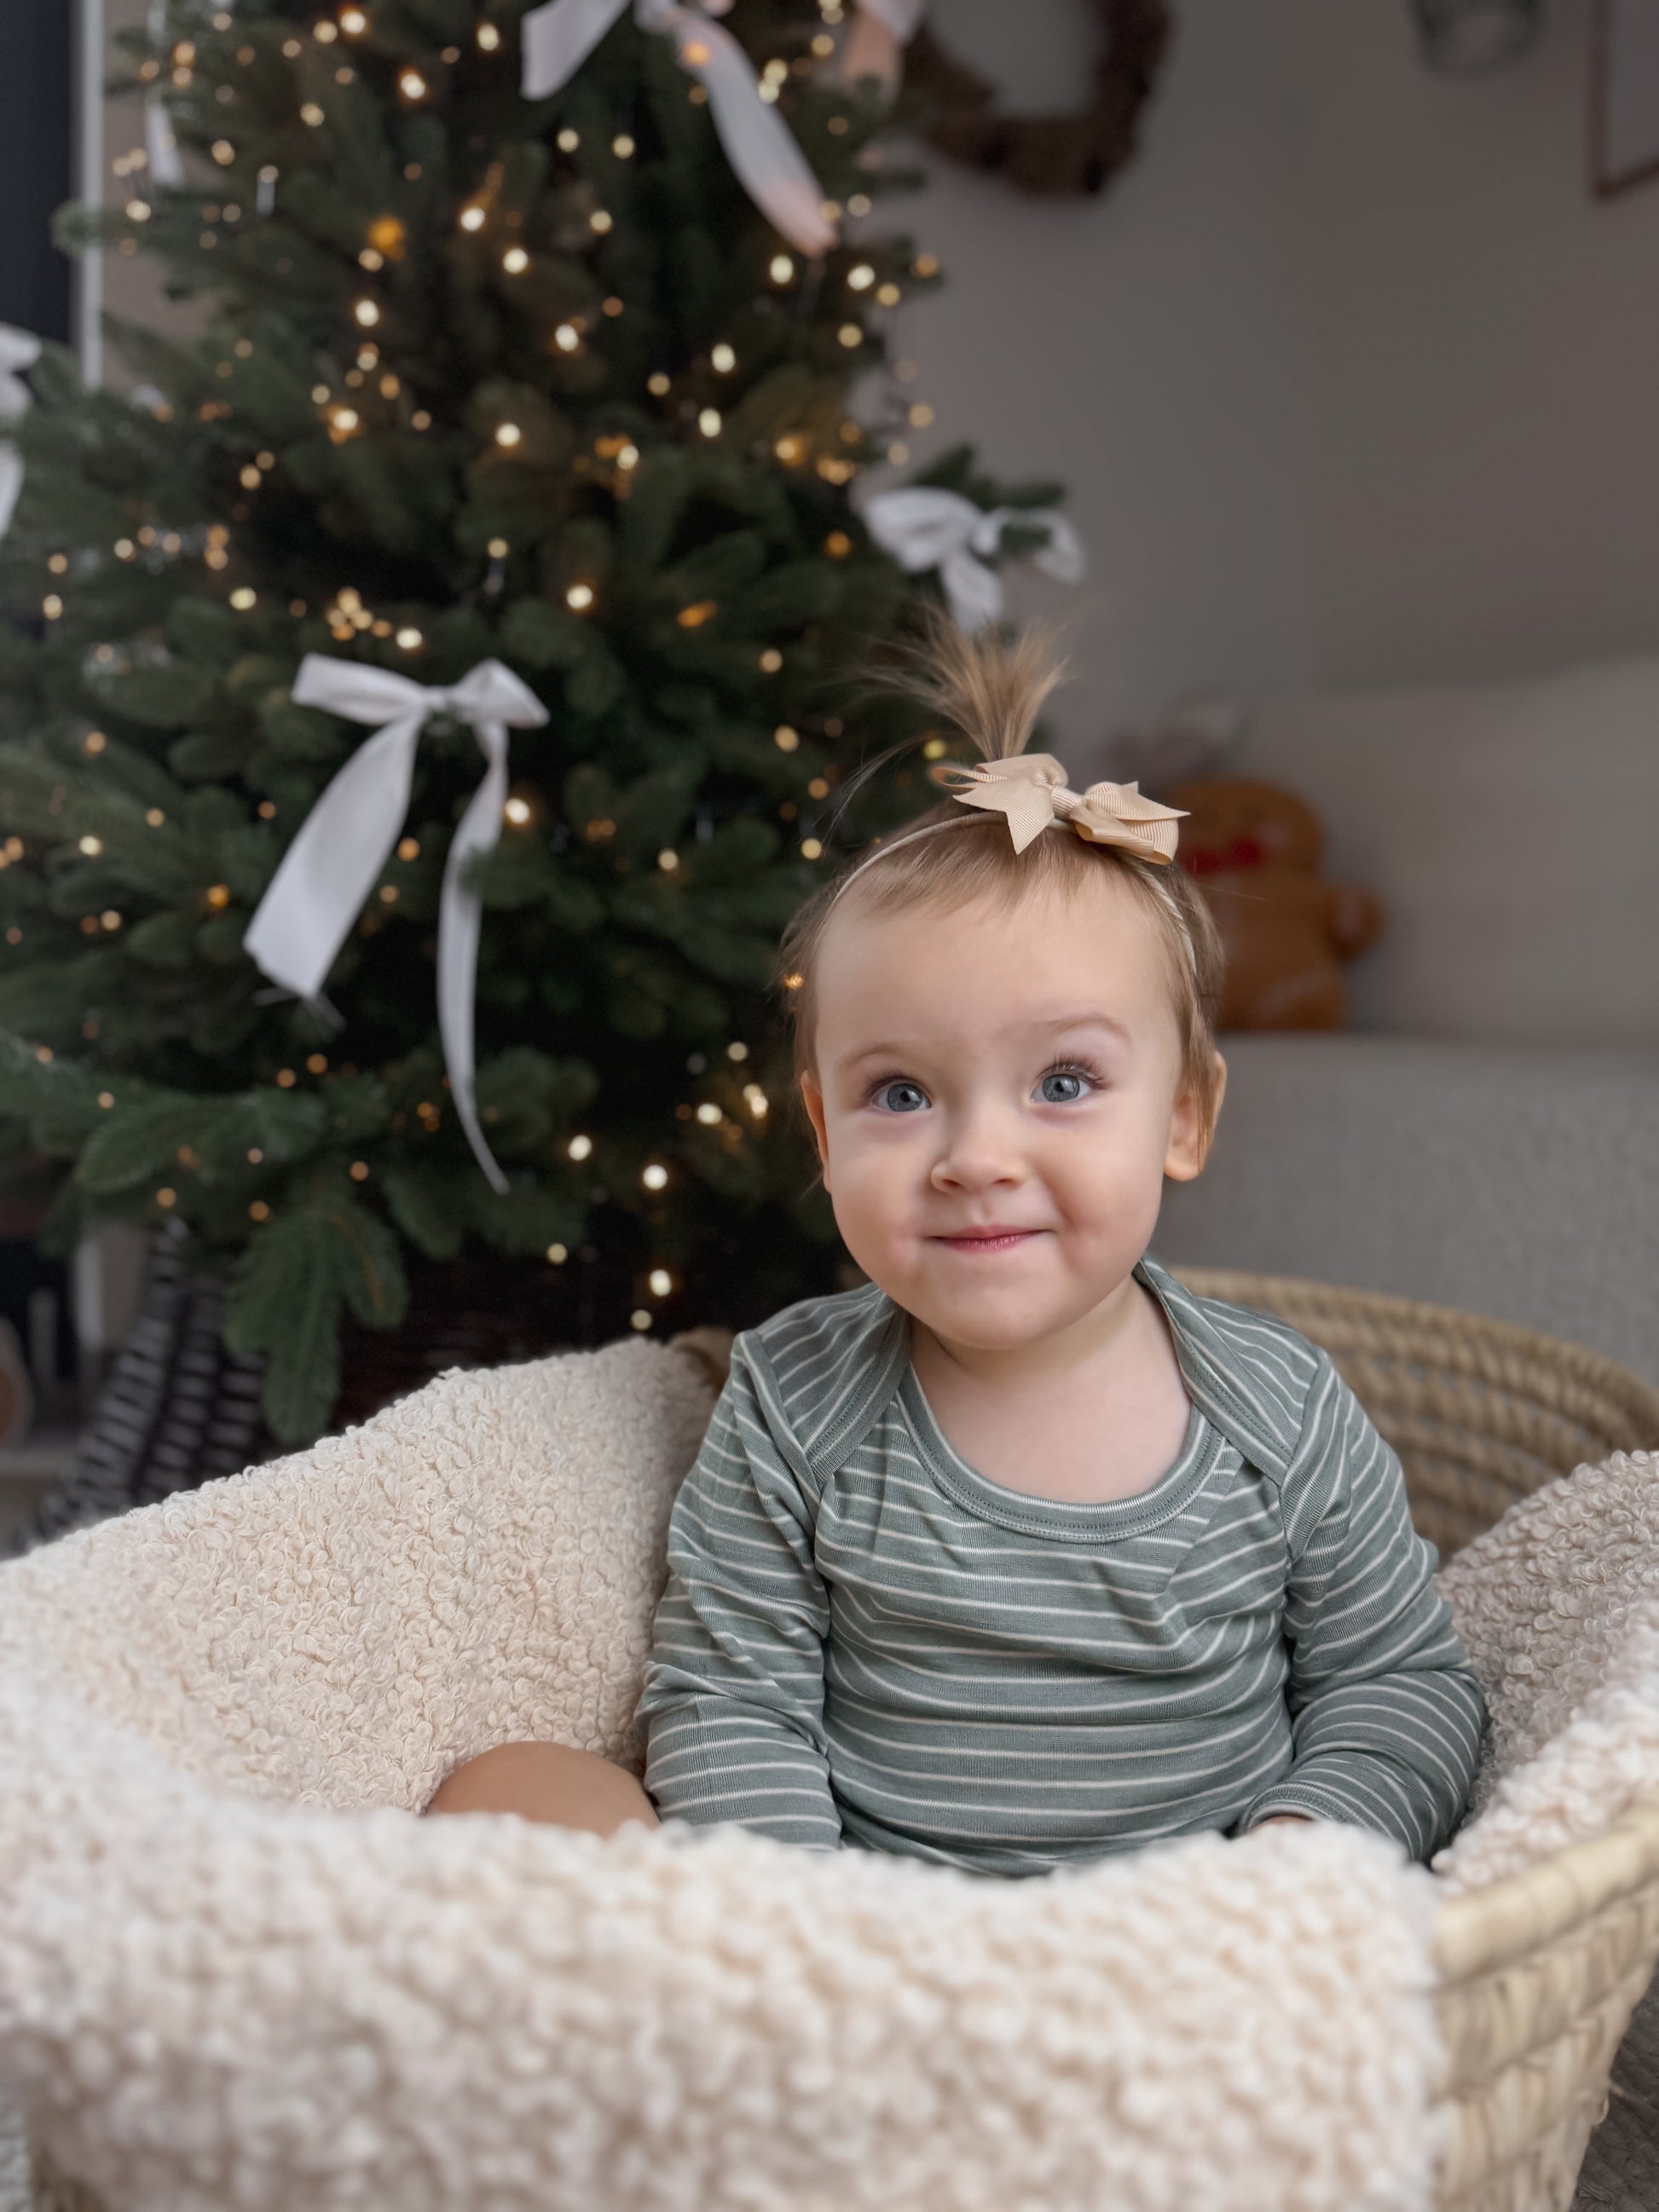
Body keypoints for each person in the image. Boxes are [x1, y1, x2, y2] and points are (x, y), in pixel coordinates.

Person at [428, 621, 1484, 1868]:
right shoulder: (792, 1401)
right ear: (825, 1133)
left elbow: (1399, 1682)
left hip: (1195, 1936)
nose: (976, 1157)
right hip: (875, 1939)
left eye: (1063, 1082)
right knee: (512, 1788)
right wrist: (803, 1924)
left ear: (1184, 1118)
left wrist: (1299, 1856)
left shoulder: (1276, 1407)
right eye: (900, 1093)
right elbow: (732, 1702)